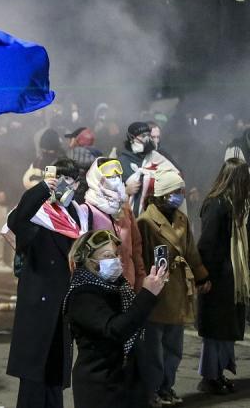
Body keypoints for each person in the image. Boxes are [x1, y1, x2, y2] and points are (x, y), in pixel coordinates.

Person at [7, 157, 90, 408]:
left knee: (56, 368)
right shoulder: (39, 211)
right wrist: (43, 188)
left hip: (63, 300)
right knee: (34, 370)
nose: (67, 185)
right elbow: (18, 220)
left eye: (72, 180)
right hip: (39, 298)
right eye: (61, 179)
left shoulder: (75, 211)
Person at [64, 229, 167, 408]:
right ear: (89, 261)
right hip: (101, 389)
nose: (116, 260)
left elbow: (134, 321)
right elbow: (116, 330)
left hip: (126, 383)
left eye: (115, 255)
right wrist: (147, 294)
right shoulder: (83, 295)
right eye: (107, 255)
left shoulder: (118, 287)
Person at [137, 168, 210, 407]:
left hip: (177, 290)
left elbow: (191, 252)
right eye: (175, 192)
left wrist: (201, 277)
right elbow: (143, 259)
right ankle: (153, 390)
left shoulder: (181, 218)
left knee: (174, 348)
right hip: (157, 293)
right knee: (154, 351)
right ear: (162, 194)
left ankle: (167, 387)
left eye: (181, 191)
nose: (180, 195)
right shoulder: (146, 222)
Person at [196, 158, 250, 394]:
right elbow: (206, 245)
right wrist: (203, 277)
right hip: (217, 279)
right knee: (215, 331)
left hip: (231, 280)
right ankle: (210, 376)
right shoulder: (216, 205)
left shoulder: (235, 205)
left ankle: (219, 372)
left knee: (226, 329)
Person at [83, 158, 146, 291]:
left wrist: (140, 280)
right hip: (100, 287)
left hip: (129, 284)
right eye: (110, 177)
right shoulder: (87, 210)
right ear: (97, 177)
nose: (116, 180)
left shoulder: (124, 207)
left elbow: (136, 246)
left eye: (118, 176)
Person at [118, 122, 181, 217]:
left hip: (156, 213)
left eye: (148, 135)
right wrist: (125, 191)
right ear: (131, 138)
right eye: (142, 136)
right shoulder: (122, 161)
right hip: (130, 216)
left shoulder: (155, 156)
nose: (146, 139)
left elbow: (176, 176)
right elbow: (110, 190)